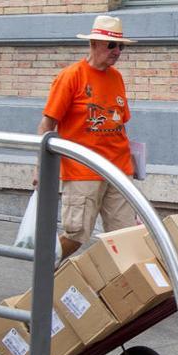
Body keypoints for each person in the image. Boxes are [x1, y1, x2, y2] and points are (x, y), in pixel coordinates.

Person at [36, 15, 137, 261]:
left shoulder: (117, 78)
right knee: (76, 234)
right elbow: (48, 124)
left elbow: (120, 123)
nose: (117, 51)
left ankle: (126, 291)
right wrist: (41, 167)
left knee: (126, 235)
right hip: (82, 170)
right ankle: (45, 272)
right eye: (111, 45)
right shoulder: (71, 76)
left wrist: (133, 163)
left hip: (118, 169)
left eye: (120, 46)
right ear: (93, 44)